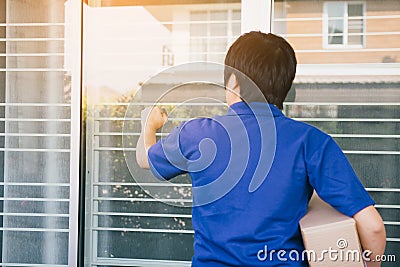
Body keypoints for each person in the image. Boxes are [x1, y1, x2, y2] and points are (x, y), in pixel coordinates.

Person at [136, 31, 386, 266]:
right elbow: (373, 227)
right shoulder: (311, 142)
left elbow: (145, 159)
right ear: (285, 87)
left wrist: (149, 125)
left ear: (233, 82)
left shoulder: (197, 133)